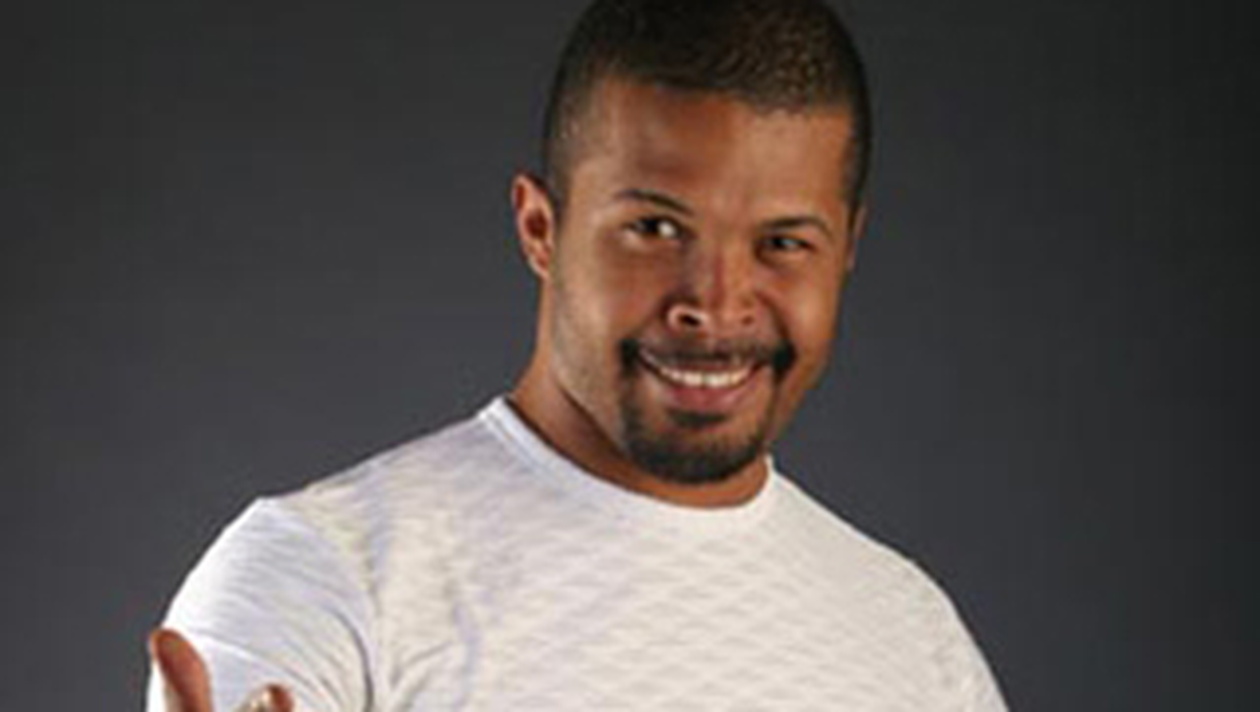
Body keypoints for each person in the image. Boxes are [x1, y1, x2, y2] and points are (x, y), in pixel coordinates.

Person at [148, 0, 1008, 710]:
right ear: (540, 228)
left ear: (847, 249)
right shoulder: (321, 581)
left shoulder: (915, 637)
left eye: (782, 243)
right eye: (655, 228)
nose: (715, 304)